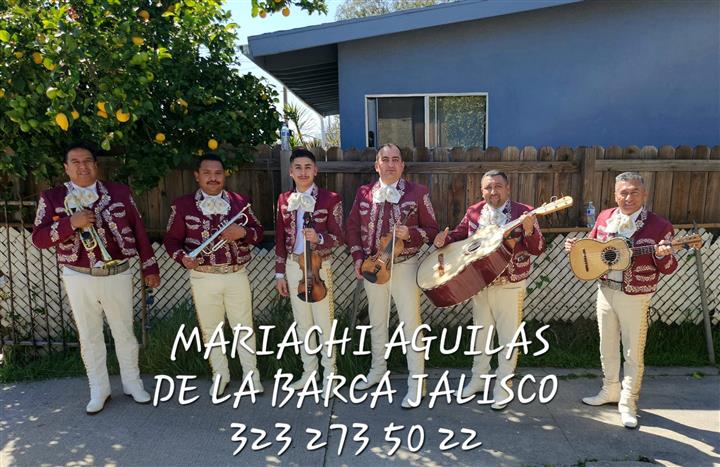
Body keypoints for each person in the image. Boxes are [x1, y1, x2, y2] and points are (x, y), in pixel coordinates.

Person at [32, 142, 161, 414]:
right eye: (75, 162)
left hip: (118, 272)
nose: (82, 166)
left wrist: (149, 266)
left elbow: (139, 230)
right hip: (78, 276)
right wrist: (71, 223)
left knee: (124, 332)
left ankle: (132, 383)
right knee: (90, 336)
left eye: (88, 161)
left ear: (96, 165)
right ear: (66, 168)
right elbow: (39, 238)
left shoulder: (119, 192)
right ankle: (99, 389)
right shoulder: (52, 198)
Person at [565, 172, 677, 429]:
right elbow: (594, 245)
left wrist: (661, 255)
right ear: (615, 194)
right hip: (605, 290)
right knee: (607, 345)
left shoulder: (659, 226)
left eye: (634, 192)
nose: (628, 197)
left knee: (632, 351)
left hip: (635, 295)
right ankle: (610, 390)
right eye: (623, 192)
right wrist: (577, 247)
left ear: (644, 194)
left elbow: (669, 266)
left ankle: (628, 402)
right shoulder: (605, 217)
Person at [434, 170, 544, 410]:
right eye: (488, 188)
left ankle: (503, 386)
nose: (493, 192)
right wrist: (443, 240)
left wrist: (528, 230)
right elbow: (460, 236)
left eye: (498, 186)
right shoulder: (474, 211)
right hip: (480, 283)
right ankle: (479, 379)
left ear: (508, 188)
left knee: (507, 337)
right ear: (482, 191)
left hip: (510, 283)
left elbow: (537, 249)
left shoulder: (524, 212)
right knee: (481, 335)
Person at [345, 143, 439, 408]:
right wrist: (358, 258)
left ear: (402, 166)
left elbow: (432, 230)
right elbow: (352, 227)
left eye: (395, 159)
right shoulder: (364, 193)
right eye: (384, 160)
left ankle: (416, 382)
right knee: (377, 321)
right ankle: (378, 370)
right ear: (377, 165)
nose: (389, 164)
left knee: (411, 324)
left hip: (406, 265)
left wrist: (412, 234)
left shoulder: (418, 193)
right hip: (374, 266)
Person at [164, 154, 264, 396]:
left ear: (224, 175)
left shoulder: (241, 203)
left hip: (236, 274)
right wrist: (182, 258)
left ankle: (252, 376)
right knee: (211, 329)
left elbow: (258, 233)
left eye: (218, 173)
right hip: (203, 276)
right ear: (197, 176)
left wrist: (242, 232)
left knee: (244, 327)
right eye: (207, 173)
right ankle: (220, 375)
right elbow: (171, 240)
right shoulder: (183, 205)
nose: (213, 178)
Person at [275, 148, 344, 392]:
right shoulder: (284, 200)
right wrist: (280, 273)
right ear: (291, 172)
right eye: (298, 168)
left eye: (308, 167)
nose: (303, 172)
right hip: (294, 266)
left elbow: (339, 237)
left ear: (315, 170)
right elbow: (281, 239)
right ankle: (309, 372)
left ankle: (330, 375)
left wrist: (320, 237)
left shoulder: (330, 198)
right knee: (303, 323)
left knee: (324, 322)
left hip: (319, 266)